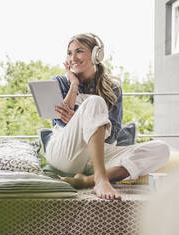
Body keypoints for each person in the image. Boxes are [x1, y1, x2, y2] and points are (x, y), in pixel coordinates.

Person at [43, 33, 170, 200]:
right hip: (66, 153)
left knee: (161, 149)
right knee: (95, 102)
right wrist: (74, 85)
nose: (73, 57)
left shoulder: (113, 88)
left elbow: (113, 135)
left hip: (99, 155)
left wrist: (89, 120)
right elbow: (60, 121)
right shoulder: (60, 82)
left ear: (97, 54)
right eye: (69, 53)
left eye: (79, 51)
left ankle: (89, 180)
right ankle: (101, 179)